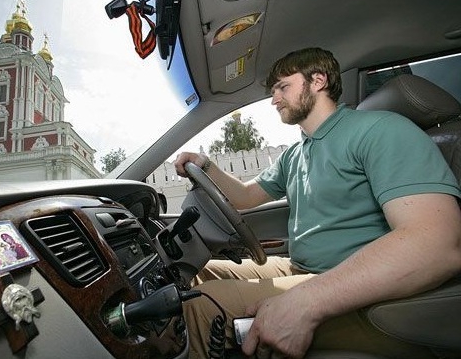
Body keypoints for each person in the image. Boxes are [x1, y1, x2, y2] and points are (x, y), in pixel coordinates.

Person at [174, 47, 461, 358]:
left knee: (198, 306)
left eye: (283, 87)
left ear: (318, 80)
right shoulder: (295, 154)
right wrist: (205, 165)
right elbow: (246, 197)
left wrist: (307, 301)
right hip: (304, 269)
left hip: (362, 292)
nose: (274, 100)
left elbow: (436, 244)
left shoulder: (381, 130)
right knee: (201, 273)